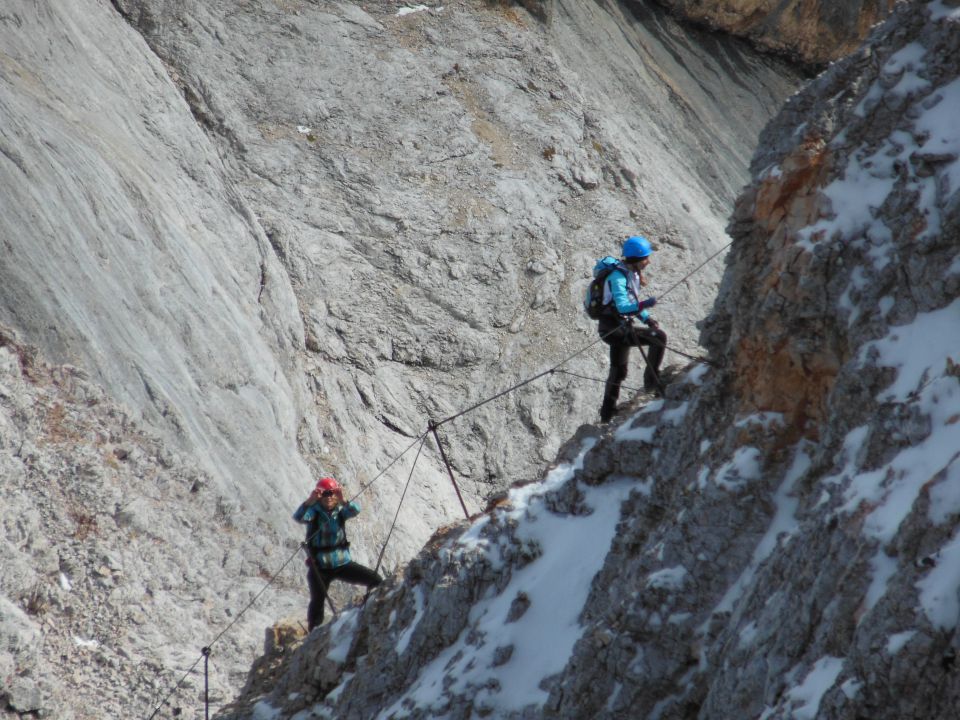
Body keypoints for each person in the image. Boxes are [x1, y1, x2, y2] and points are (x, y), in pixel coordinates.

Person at [594, 235, 667, 422]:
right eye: (646, 258)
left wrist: (646, 319)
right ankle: (652, 383)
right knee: (658, 338)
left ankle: (606, 413)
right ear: (636, 259)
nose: (648, 262)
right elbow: (623, 307)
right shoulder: (618, 277)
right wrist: (645, 305)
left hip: (615, 328)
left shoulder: (630, 273)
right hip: (615, 330)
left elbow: (630, 303)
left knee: (618, 370)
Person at [293, 476, 381, 629]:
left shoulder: (341, 511)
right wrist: (309, 501)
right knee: (317, 602)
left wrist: (343, 499)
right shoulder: (314, 512)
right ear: (319, 496)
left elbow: (356, 510)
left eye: (332, 493)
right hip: (320, 566)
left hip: (342, 562)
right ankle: (313, 632)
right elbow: (299, 516)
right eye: (325, 493)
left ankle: (372, 612)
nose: (329, 497)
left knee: (375, 580)